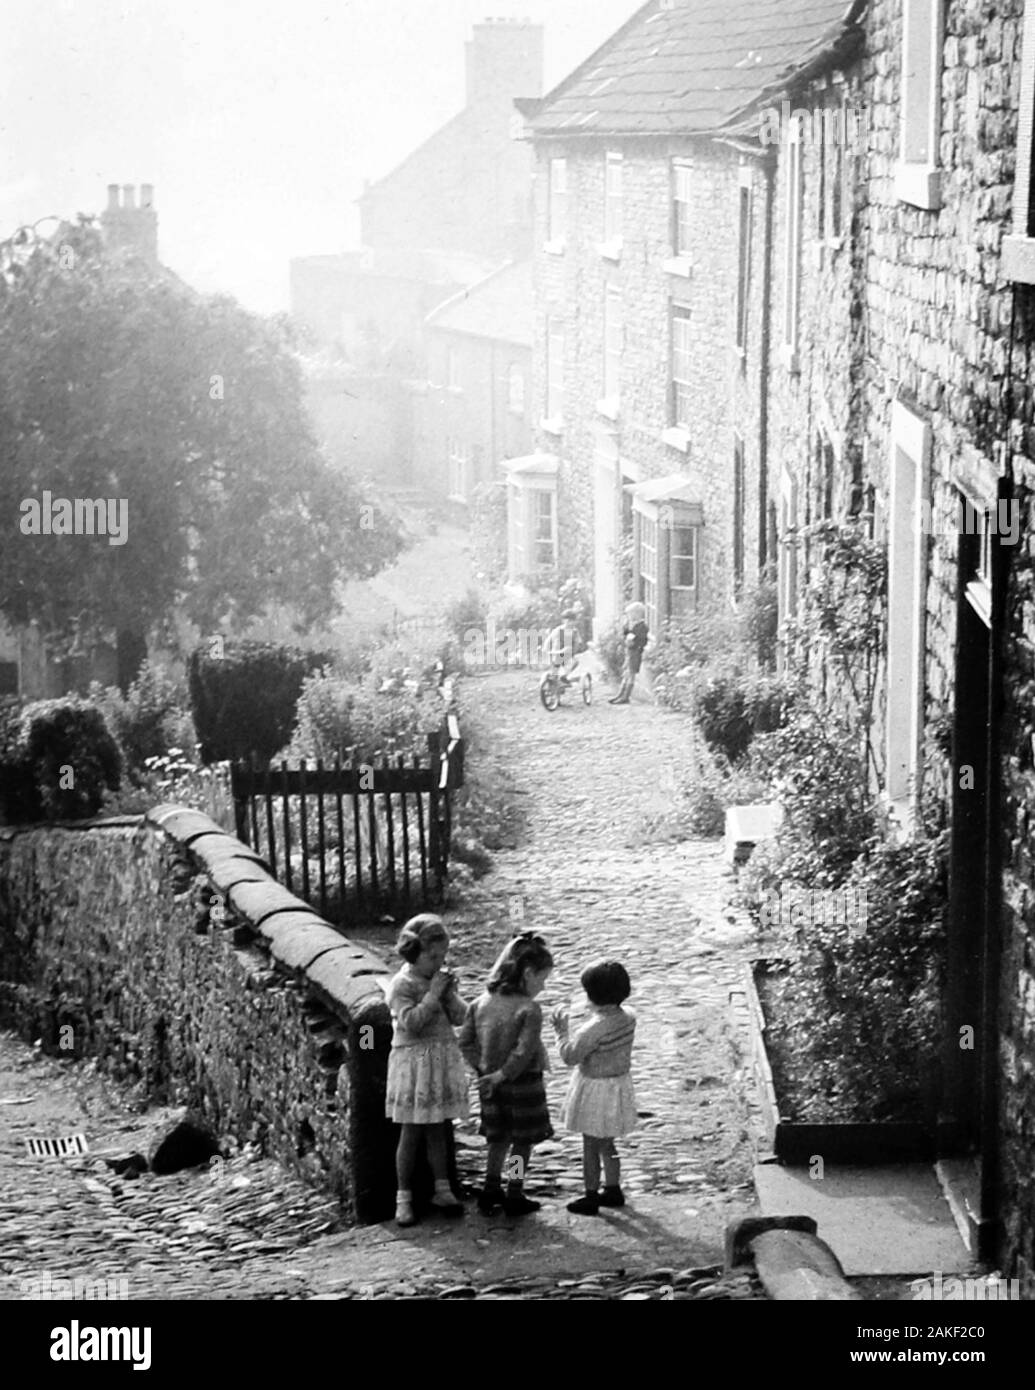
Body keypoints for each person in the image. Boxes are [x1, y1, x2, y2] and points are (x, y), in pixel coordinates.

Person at [459, 931, 555, 1216]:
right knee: (521, 1141)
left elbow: (464, 1042)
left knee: (497, 1138)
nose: (543, 986)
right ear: (527, 973)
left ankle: (490, 1189)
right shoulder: (529, 1009)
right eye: (542, 978)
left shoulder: (479, 1003)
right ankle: (514, 1191)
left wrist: (484, 1069)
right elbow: (524, 1052)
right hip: (523, 1085)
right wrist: (503, 1074)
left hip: (489, 1085)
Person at [385, 914, 470, 1228]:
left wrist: (450, 995)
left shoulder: (436, 982)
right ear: (413, 953)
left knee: (438, 1127)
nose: (439, 962)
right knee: (411, 1132)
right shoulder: (402, 985)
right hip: (414, 1063)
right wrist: (434, 994)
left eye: (443, 956)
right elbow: (411, 1023)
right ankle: (403, 1198)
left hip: (439, 1058)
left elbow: (462, 1018)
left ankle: (442, 1188)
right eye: (433, 957)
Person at [552, 959, 637, 1215]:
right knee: (607, 1144)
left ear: (592, 996)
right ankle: (613, 1188)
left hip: (595, 1090)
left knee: (590, 1146)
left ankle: (590, 1194)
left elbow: (570, 1056)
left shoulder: (592, 1029)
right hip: (617, 1087)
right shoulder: (628, 1017)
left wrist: (561, 1032)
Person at [609, 601, 649, 704]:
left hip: (635, 652)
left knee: (631, 674)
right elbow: (625, 633)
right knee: (626, 672)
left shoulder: (642, 627)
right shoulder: (631, 625)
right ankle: (620, 694)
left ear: (637, 614)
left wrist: (634, 642)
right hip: (629, 651)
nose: (629, 616)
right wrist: (626, 629)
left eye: (630, 614)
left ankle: (626, 696)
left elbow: (642, 641)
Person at [543, 608, 583, 685]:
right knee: (557, 665)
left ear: (575, 621)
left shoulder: (574, 631)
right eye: (568, 621)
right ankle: (555, 678)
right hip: (557, 653)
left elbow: (578, 642)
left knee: (574, 662)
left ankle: (563, 676)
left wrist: (575, 649)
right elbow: (549, 640)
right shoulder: (558, 630)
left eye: (572, 621)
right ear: (564, 621)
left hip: (567, 655)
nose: (570, 623)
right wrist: (546, 649)